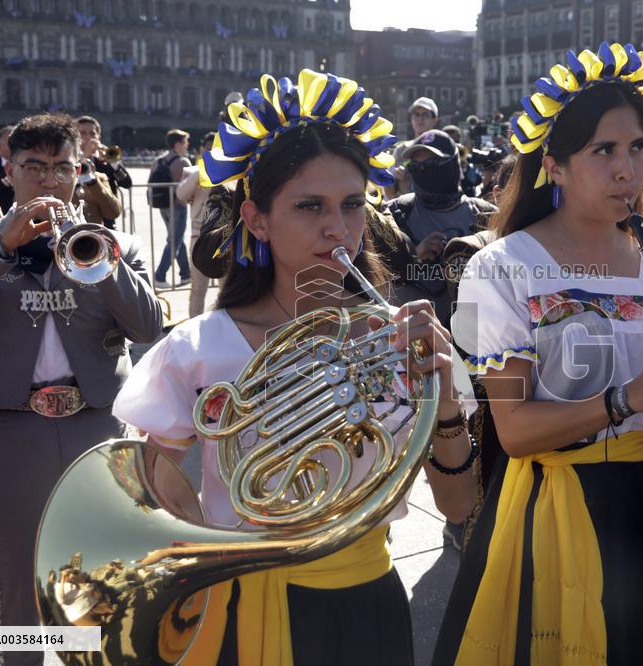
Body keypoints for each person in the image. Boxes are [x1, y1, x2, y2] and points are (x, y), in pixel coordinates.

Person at [113, 69, 477, 665]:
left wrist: (448, 403)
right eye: (310, 207)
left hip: (369, 600)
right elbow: (160, 502)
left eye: (353, 204)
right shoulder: (200, 349)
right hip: (241, 605)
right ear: (257, 219)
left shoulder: (398, 340)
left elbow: (459, 508)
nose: (339, 229)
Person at [433, 42, 643, 665]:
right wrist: (628, 397)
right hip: (550, 506)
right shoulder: (494, 269)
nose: (628, 169)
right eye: (603, 151)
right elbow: (513, 432)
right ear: (554, 167)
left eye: (638, 147)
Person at [0, 112, 164, 665]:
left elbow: (148, 328)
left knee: (98, 576)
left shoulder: (117, 245)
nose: (48, 181)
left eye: (61, 169)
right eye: (33, 168)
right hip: (9, 428)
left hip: (97, 424)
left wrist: (97, 255)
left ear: (78, 173)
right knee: (16, 577)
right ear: (8, 173)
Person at [385, 129, 497, 328]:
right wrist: (414, 256)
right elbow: (376, 276)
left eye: (431, 164)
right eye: (415, 166)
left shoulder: (486, 215)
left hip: (480, 334)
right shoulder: (396, 213)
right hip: (416, 338)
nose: (422, 171)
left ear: (451, 164)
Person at [176, 132, 216, 317]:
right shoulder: (193, 171)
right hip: (199, 235)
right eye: (209, 150)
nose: (213, 153)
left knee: (228, 288)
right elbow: (181, 195)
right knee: (199, 289)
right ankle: (194, 326)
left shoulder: (235, 172)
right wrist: (201, 171)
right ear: (202, 150)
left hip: (227, 236)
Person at [76, 115, 132, 230]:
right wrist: (85, 156)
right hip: (80, 219)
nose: (88, 137)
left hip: (107, 219)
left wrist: (114, 164)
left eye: (92, 134)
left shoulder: (106, 159)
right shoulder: (71, 160)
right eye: (83, 133)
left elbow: (126, 183)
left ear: (98, 136)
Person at [152, 129, 192, 288]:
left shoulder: (158, 160)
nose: (187, 145)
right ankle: (160, 276)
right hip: (179, 206)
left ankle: (186, 275)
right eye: (185, 142)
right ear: (178, 144)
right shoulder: (183, 162)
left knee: (177, 238)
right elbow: (189, 187)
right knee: (174, 241)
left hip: (163, 205)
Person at [389, 96, 440, 197]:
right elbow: (390, 195)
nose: (420, 119)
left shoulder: (443, 150)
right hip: (407, 209)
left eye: (425, 114)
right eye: (416, 114)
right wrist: (393, 177)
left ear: (434, 120)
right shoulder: (401, 150)